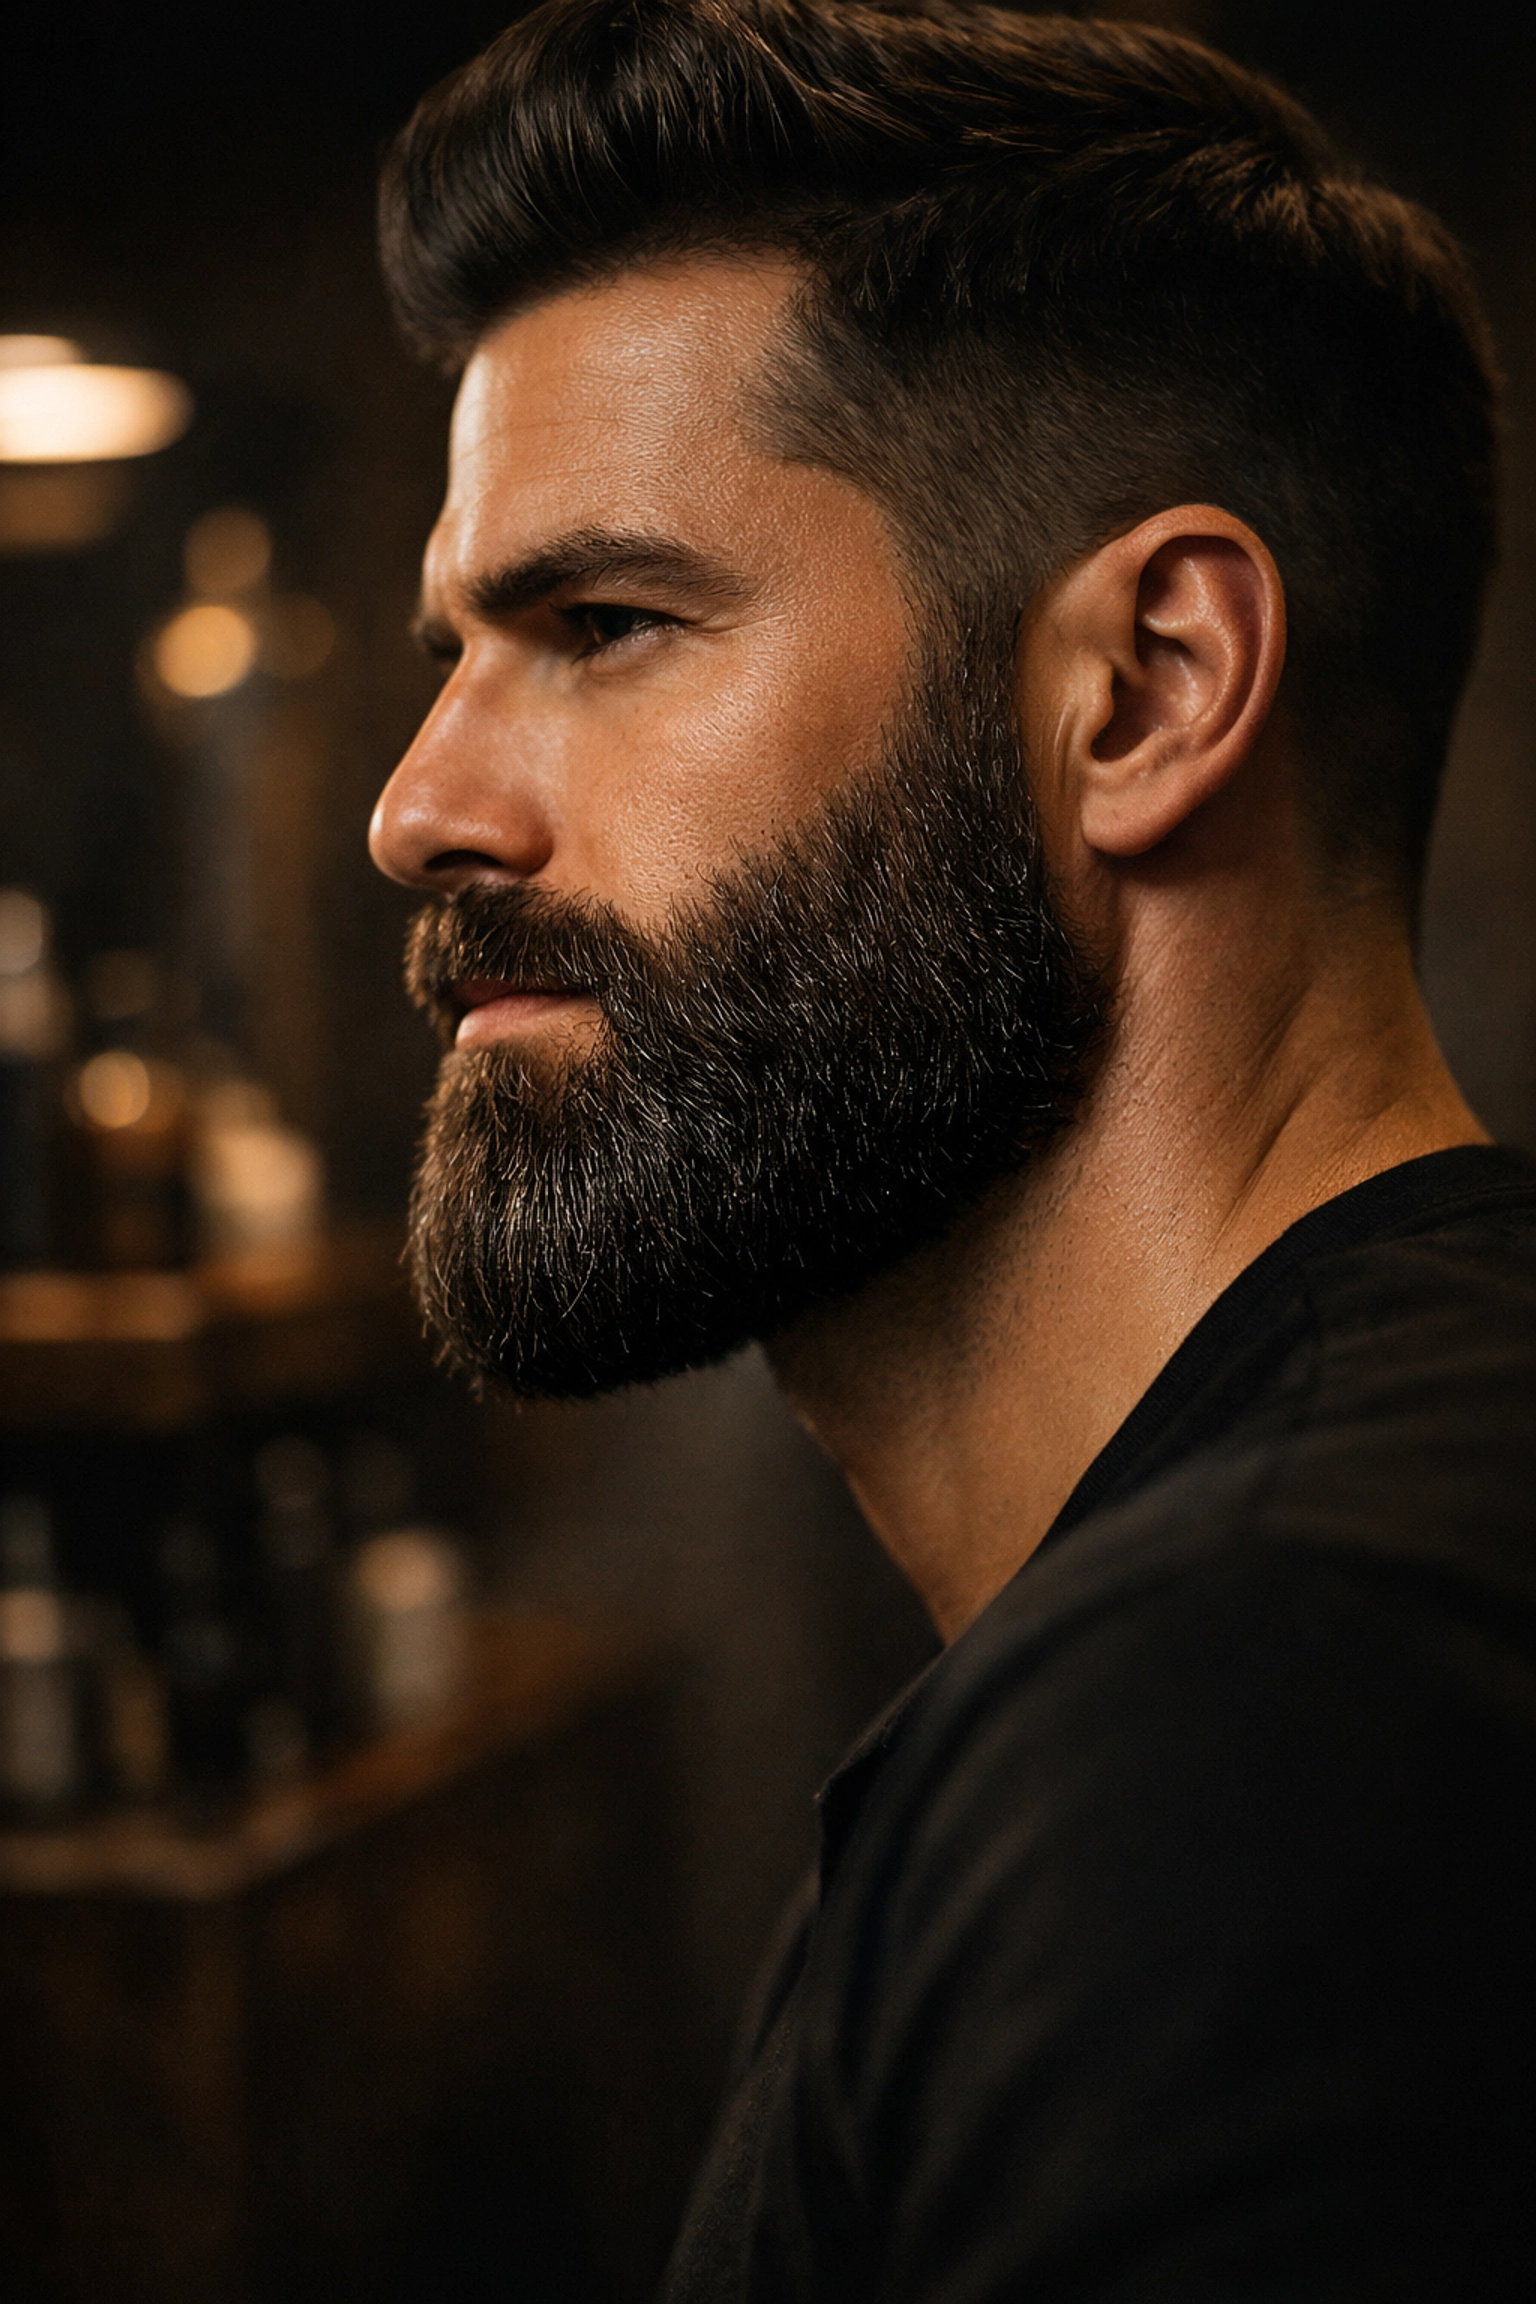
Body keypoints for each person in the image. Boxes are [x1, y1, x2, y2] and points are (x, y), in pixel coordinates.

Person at [368, 2, 1536, 2293]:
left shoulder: (1256, 1727)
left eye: (603, 623)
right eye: (453, 650)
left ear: (1150, 688)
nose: (419, 810)